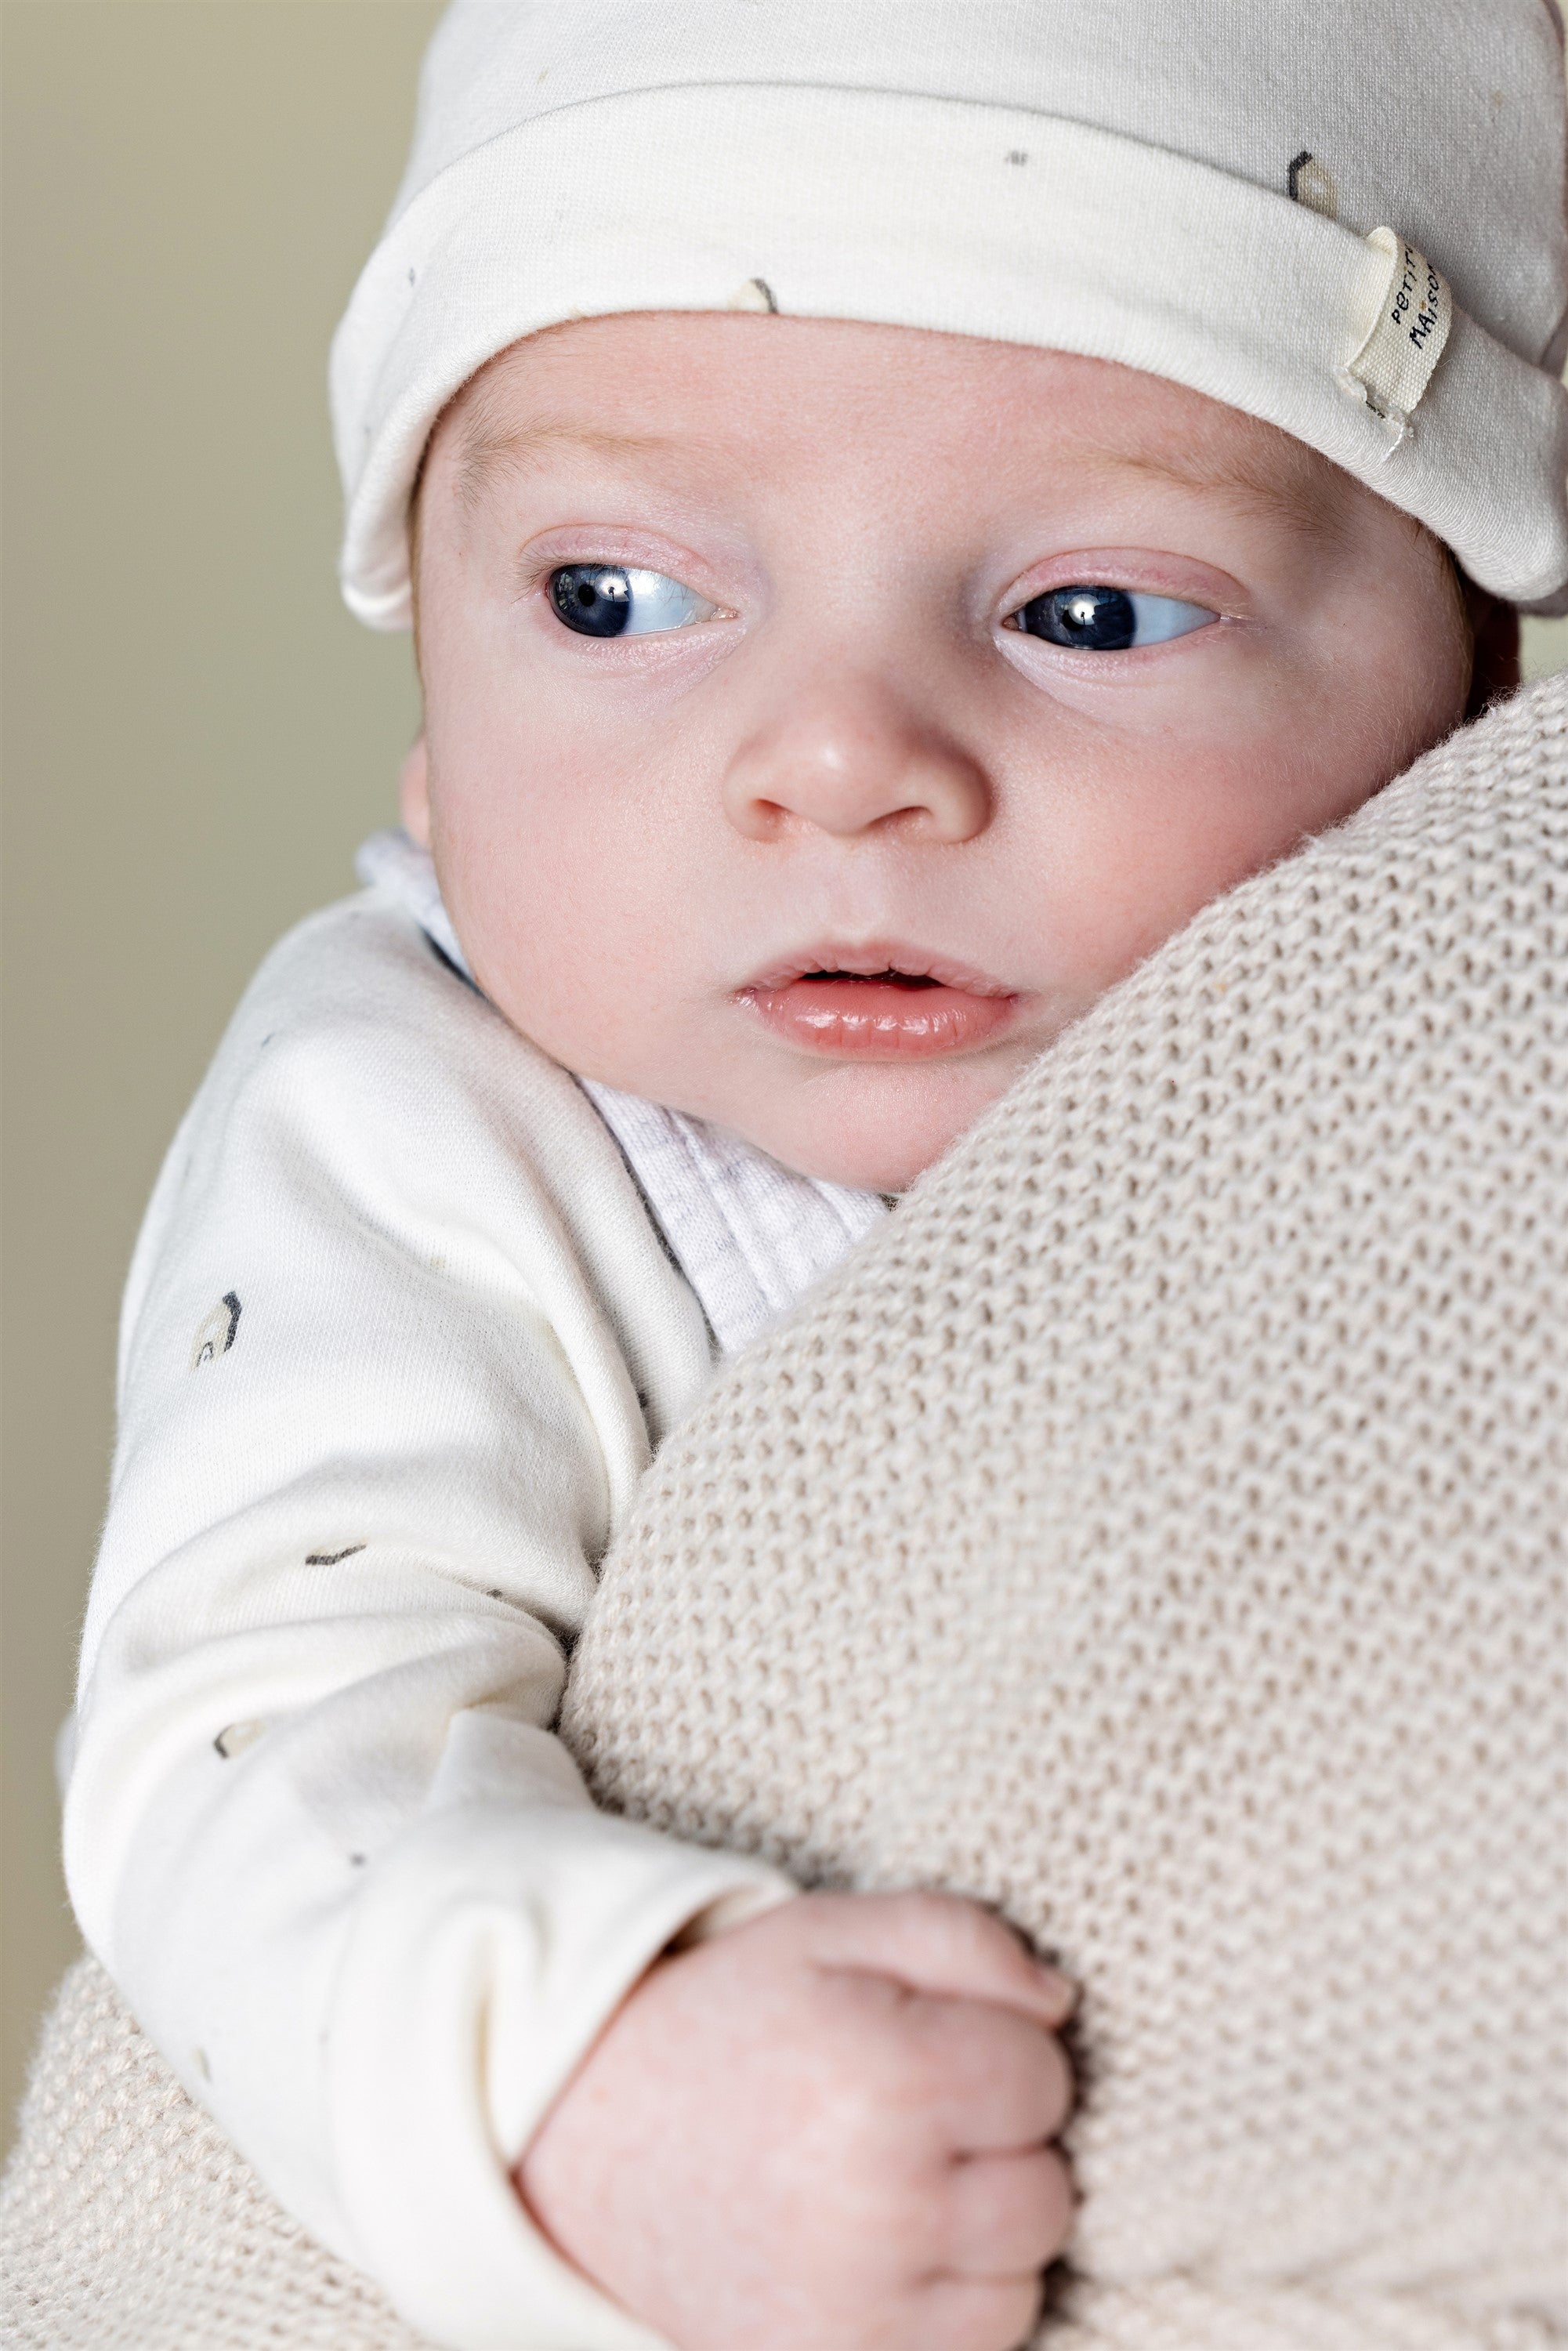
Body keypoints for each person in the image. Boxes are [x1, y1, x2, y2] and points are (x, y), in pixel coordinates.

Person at [58, 7, 1568, 2349]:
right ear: (434, 726)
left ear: (1471, 713)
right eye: (614, 598)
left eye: (1090, 614)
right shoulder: (417, 1116)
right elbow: (253, 1730)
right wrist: (581, 2081)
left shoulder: (1444, 1023)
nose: (841, 760)